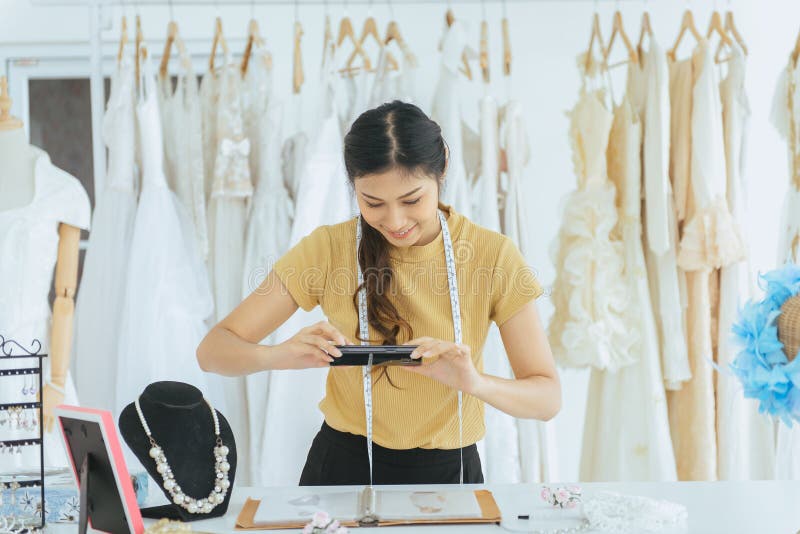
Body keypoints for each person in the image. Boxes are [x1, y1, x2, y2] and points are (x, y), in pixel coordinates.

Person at [197, 100, 560, 485]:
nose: (395, 221)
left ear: (443, 169)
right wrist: (278, 354)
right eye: (373, 203)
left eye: (412, 200)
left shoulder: (493, 256)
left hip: (451, 474)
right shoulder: (327, 249)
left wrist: (475, 383)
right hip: (342, 470)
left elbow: (547, 398)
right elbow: (213, 352)